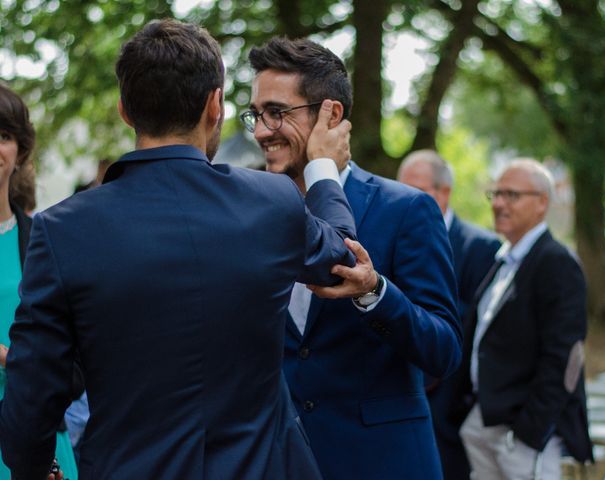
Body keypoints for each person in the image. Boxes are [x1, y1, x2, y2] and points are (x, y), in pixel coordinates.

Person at [0, 19, 363, 479]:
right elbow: (343, 257)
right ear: (215, 105)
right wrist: (324, 169)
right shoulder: (271, 202)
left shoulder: (62, 229)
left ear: (124, 110)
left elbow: (32, 394)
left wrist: (35, 467)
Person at [243, 37, 461, 480]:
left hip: (381, 461)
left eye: (277, 113)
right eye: (256, 114)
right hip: (279, 463)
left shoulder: (407, 210)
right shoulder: (249, 212)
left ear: (331, 115)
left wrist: (375, 293)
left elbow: (444, 351)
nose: (262, 131)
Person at [454, 159, 593, 479]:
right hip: (486, 419)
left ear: (542, 202)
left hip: (523, 431)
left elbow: (565, 357)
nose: (500, 203)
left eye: (512, 195)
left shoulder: (556, 262)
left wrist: (529, 434)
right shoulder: (505, 259)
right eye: (496, 194)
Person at [398, 149, 500, 479]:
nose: (406, 197)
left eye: (417, 189)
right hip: (400, 383)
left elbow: (479, 324)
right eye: (401, 188)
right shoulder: (392, 237)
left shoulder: (481, 247)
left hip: (453, 395)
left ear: (444, 193)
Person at [0, 83, 77, 479]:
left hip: (35, 440)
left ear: (20, 151)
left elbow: (75, 366)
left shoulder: (45, 240)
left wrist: (11, 360)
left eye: (4, 135)